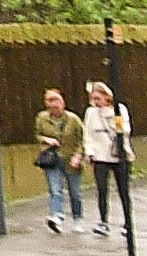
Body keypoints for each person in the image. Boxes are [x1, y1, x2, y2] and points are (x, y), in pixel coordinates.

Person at [77, 82, 132, 236]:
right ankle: (103, 222)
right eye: (94, 99)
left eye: (99, 98)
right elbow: (87, 133)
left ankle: (128, 222)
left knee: (123, 190)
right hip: (100, 156)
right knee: (102, 189)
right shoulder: (90, 113)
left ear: (107, 97)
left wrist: (110, 117)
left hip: (119, 156)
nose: (96, 102)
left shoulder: (119, 110)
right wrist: (89, 151)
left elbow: (124, 130)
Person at [31, 90, 83, 235]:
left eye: (56, 103)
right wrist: (45, 139)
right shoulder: (41, 118)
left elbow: (83, 139)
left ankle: (78, 219)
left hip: (71, 159)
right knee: (55, 190)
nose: (53, 107)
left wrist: (78, 155)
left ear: (62, 103)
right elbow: (37, 134)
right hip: (52, 159)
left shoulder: (73, 119)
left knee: (75, 192)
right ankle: (57, 217)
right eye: (50, 103)